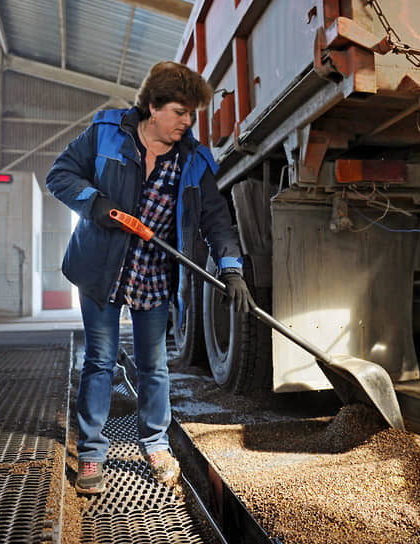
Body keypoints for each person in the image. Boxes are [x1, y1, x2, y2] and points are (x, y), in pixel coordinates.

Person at [46, 61, 252, 494]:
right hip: (102, 268)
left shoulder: (193, 159)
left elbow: (217, 220)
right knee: (100, 360)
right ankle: (91, 453)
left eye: (191, 114)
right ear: (153, 107)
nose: (187, 122)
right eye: (180, 111)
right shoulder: (106, 132)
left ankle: (155, 443)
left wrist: (232, 269)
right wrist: (95, 204)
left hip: (155, 274)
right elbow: (59, 175)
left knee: (154, 365)